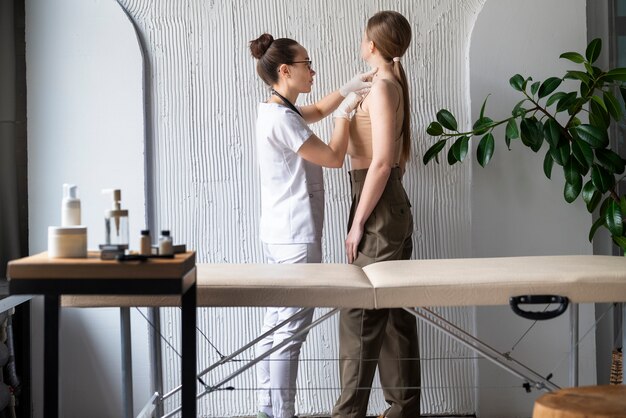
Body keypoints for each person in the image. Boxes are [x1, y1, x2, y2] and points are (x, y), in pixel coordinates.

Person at [249, 33, 376, 418]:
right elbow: (334, 157)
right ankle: (283, 412)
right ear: (286, 70)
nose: (313, 70)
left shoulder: (275, 110)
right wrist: (346, 115)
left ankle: (267, 406)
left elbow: (317, 109)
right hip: (295, 238)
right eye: (307, 64)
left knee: (276, 324)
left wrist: (345, 91)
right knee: (290, 331)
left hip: (278, 234)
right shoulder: (283, 120)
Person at [331, 11, 420, 418]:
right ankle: (403, 410)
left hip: (378, 200)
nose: (361, 42)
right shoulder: (381, 83)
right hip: (381, 199)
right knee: (393, 310)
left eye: (364, 37)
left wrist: (357, 223)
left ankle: (348, 414)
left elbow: (382, 162)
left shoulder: (383, 87)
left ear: (373, 44)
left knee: (361, 311)